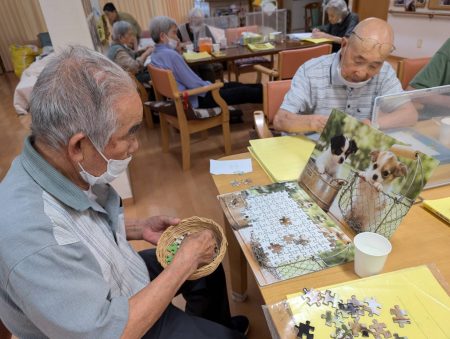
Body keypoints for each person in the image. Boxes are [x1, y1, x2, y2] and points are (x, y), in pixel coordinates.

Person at [0, 46, 248, 339]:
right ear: (79, 146)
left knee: (208, 269)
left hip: (117, 277)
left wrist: (135, 228)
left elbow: (77, 227)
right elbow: (107, 332)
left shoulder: (53, 162)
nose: (135, 145)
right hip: (117, 327)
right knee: (195, 266)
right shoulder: (34, 239)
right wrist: (184, 263)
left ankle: (210, 328)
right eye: (129, 133)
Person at [274, 18, 417, 134]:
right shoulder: (311, 71)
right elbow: (280, 120)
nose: (361, 73)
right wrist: (315, 123)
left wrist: (371, 123)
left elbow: (410, 114)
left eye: (374, 66)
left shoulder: (385, 72)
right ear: (344, 45)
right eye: (358, 60)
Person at [150, 16, 262, 109]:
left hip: (188, 96)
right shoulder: (172, 55)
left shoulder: (155, 54)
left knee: (236, 85)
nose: (177, 38)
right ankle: (271, 94)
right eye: (174, 33)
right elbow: (193, 84)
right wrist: (211, 86)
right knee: (243, 91)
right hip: (196, 98)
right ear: (163, 36)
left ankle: (267, 89)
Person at [177, 7, 224, 83]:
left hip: (204, 57)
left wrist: (207, 42)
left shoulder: (204, 27)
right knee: (195, 69)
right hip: (188, 60)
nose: (198, 25)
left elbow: (214, 43)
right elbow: (176, 45)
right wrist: (183, 44)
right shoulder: (181, 29)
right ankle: (201, 90)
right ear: (189, 19)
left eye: (199, 22)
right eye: (195, 22)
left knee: (207, 67)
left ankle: (210, 90)